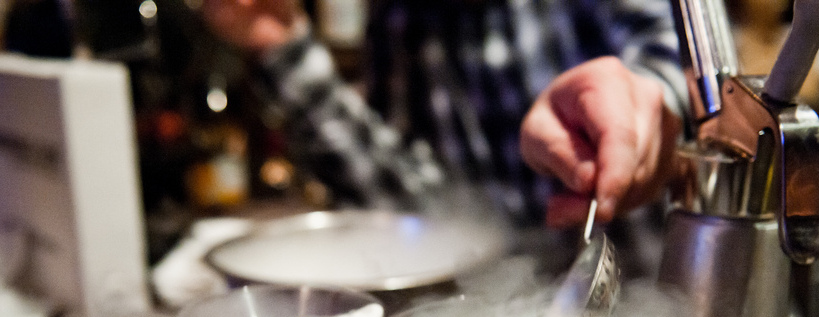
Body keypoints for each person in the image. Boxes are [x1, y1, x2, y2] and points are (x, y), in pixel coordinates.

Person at [200, 0, 686, 235]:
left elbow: (675, 64)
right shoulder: (399, 18)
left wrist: (647, 114)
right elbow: (417, 211)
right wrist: (282, 46)